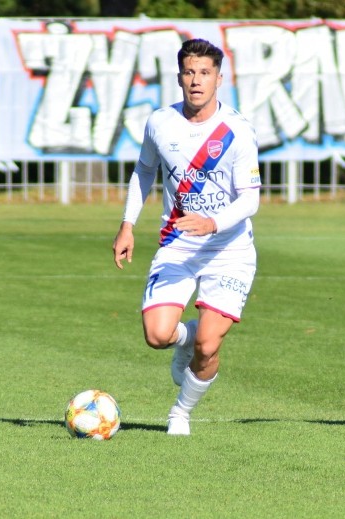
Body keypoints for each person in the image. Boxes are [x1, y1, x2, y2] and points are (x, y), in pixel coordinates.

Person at [112, 38, 262, 436]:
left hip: (229, 249)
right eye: (190, 72)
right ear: (180, 77)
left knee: (209, 346)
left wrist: (213, 223)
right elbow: (144, 171)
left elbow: (250, 200)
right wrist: (128, 224)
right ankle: (185, 337)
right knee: (158, 335)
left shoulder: (237, 131)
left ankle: (180, 412)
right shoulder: (160, 122)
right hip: (178, 244)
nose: (197, 81)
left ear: (219, 78)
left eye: (205, 73)